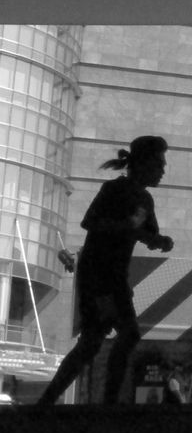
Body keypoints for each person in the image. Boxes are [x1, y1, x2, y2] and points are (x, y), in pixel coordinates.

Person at [36, 136, 174, 406]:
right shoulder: (114, 190)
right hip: (100, 276)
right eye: (159, 164)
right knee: (120, 334)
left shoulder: (145, 199)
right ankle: (105, 401)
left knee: (94, 341)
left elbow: (147, 234)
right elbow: (91, 222)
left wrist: (159, 241)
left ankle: (50, 400)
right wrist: (130, 229)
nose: (163, 171)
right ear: (143, 164)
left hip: (114, 277)